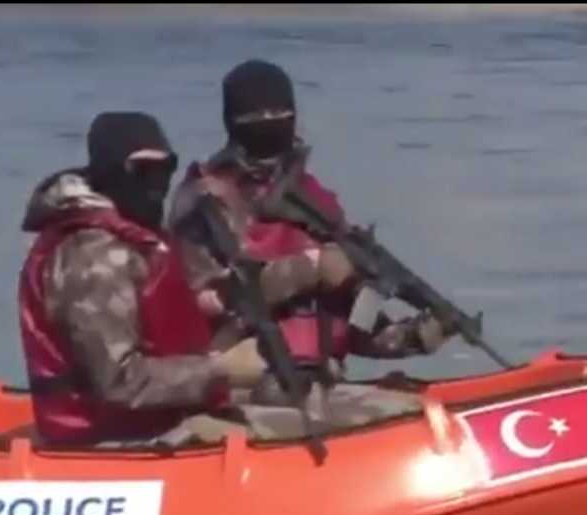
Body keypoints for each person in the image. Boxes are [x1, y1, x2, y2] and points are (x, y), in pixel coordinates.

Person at [165, 59, 450, 422]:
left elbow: (350, 324)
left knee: (416, 414)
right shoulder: (204, 201)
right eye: (257, 116)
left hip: (319, 384)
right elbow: (206, 303)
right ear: (233, 123)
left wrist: (415, 335)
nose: (270, 122)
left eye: (280, 113)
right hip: (239, 389)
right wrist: (310, 269)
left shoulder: (313, 199)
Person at [17, 111, 270, 447]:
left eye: (166, 168)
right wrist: (221, 370)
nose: (157, 182)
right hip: (105, 437)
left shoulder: (137, 239)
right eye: (143, 169)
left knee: (288, 404)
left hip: (160, 417)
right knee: (282, 430)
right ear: (111, 171)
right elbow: (118, 382)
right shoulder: (92, 257)